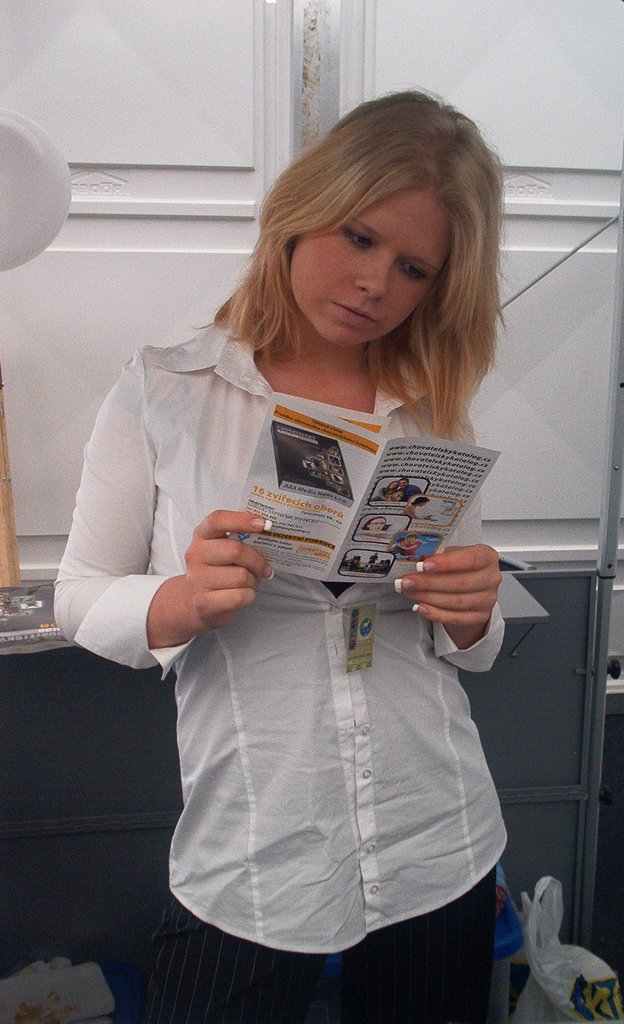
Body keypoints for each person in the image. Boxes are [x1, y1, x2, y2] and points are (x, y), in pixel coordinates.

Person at [55, 90, 506, 1024]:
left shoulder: (428, 410)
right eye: (358, 236)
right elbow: (79, 595)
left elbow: (470, 641)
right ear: (302, 210)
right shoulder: (166, 389)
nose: (374, 282)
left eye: (413, 267)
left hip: (436, 836)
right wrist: (180, 601)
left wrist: (475, 612)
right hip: (255, 848)